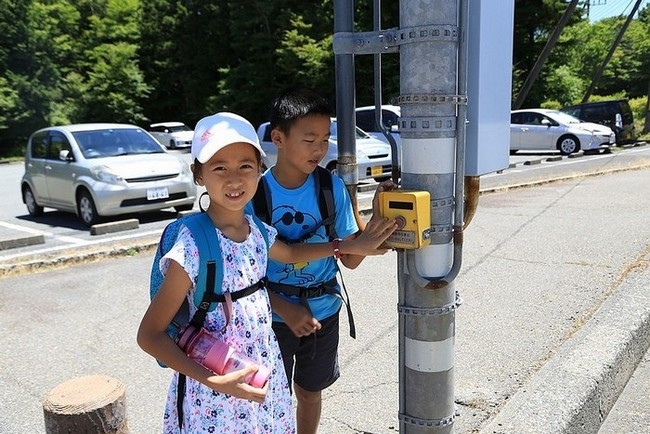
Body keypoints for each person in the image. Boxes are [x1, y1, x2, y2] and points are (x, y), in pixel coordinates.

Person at [137, 112, 396, 433]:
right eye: (219, 167)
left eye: (245, 166)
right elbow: (150, 335)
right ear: (198, 174)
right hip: (214, 395)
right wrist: (214, 380)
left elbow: (290, 253)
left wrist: (352, 246)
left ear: (260, 169)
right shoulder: (193, 244)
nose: (234, 179)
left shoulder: (256, 229)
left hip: (263, 377)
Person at [248, 86, 396, 434]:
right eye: (309, 139)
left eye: (325, 138)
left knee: (310, 392)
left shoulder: (332, 188)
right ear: (278, 138)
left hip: (324, 313)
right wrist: (285, 309)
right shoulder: (255, 195)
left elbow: (351, 259)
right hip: (271, 317)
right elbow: (241, 276)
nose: (319, 148)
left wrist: (375, 223)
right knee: (268, 396)